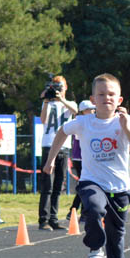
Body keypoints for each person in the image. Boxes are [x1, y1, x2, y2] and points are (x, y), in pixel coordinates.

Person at [43, 73, 130, 258]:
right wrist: (51, 159)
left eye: (111, 94)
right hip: (92, 181)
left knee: (116, 237)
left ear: (119, 99)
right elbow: (62, 132)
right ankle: (94, 250)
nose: (106, 98)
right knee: (92, 208)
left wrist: (126, 128)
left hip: (120, 188)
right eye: (101, 94)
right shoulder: (84, 122)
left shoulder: (127, 121)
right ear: (93, 99)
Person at [39, 75, 77, 230]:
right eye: (55, 87)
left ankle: (53, 218)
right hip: (49, 145)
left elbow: (75, 111)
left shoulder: (68, 103)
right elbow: (43, 120)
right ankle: (43, 219)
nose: (57, 90)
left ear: (65, 88)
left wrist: (61, 99)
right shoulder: (48, 103)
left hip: (64, 146)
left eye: (59, 87)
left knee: (58, 186)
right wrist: (47, 100)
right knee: (47, 185)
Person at [67, 100, 95, 221]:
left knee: (85, 184)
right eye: (90, 109)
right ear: (84, 111)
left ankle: (76, 211)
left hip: (85, 157)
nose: (93, 111)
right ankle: (79, 212)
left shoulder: (86, 122)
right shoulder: (80, 122)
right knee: (85, 185)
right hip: (80, 158)